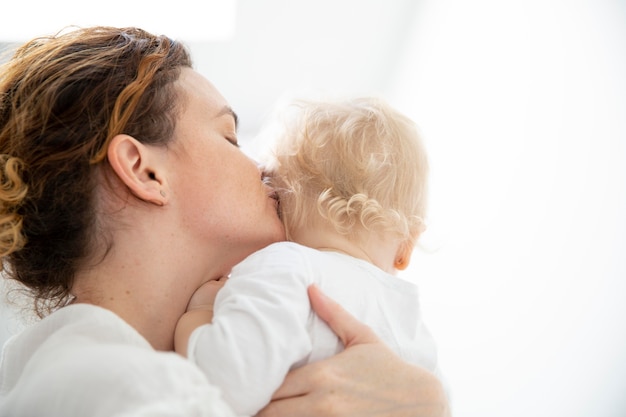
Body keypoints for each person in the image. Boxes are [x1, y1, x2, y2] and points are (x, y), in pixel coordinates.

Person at [0, 26, 450, 417]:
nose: (263, 169)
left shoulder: (169, 369)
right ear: (145, 171)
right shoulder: (101, 389)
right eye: (231, 138)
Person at [175, 96, 446, 416]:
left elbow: (224, 383)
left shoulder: (284, 265)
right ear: (405, 249)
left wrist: (203, 313)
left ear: (278, 200)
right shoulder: (411, 320)